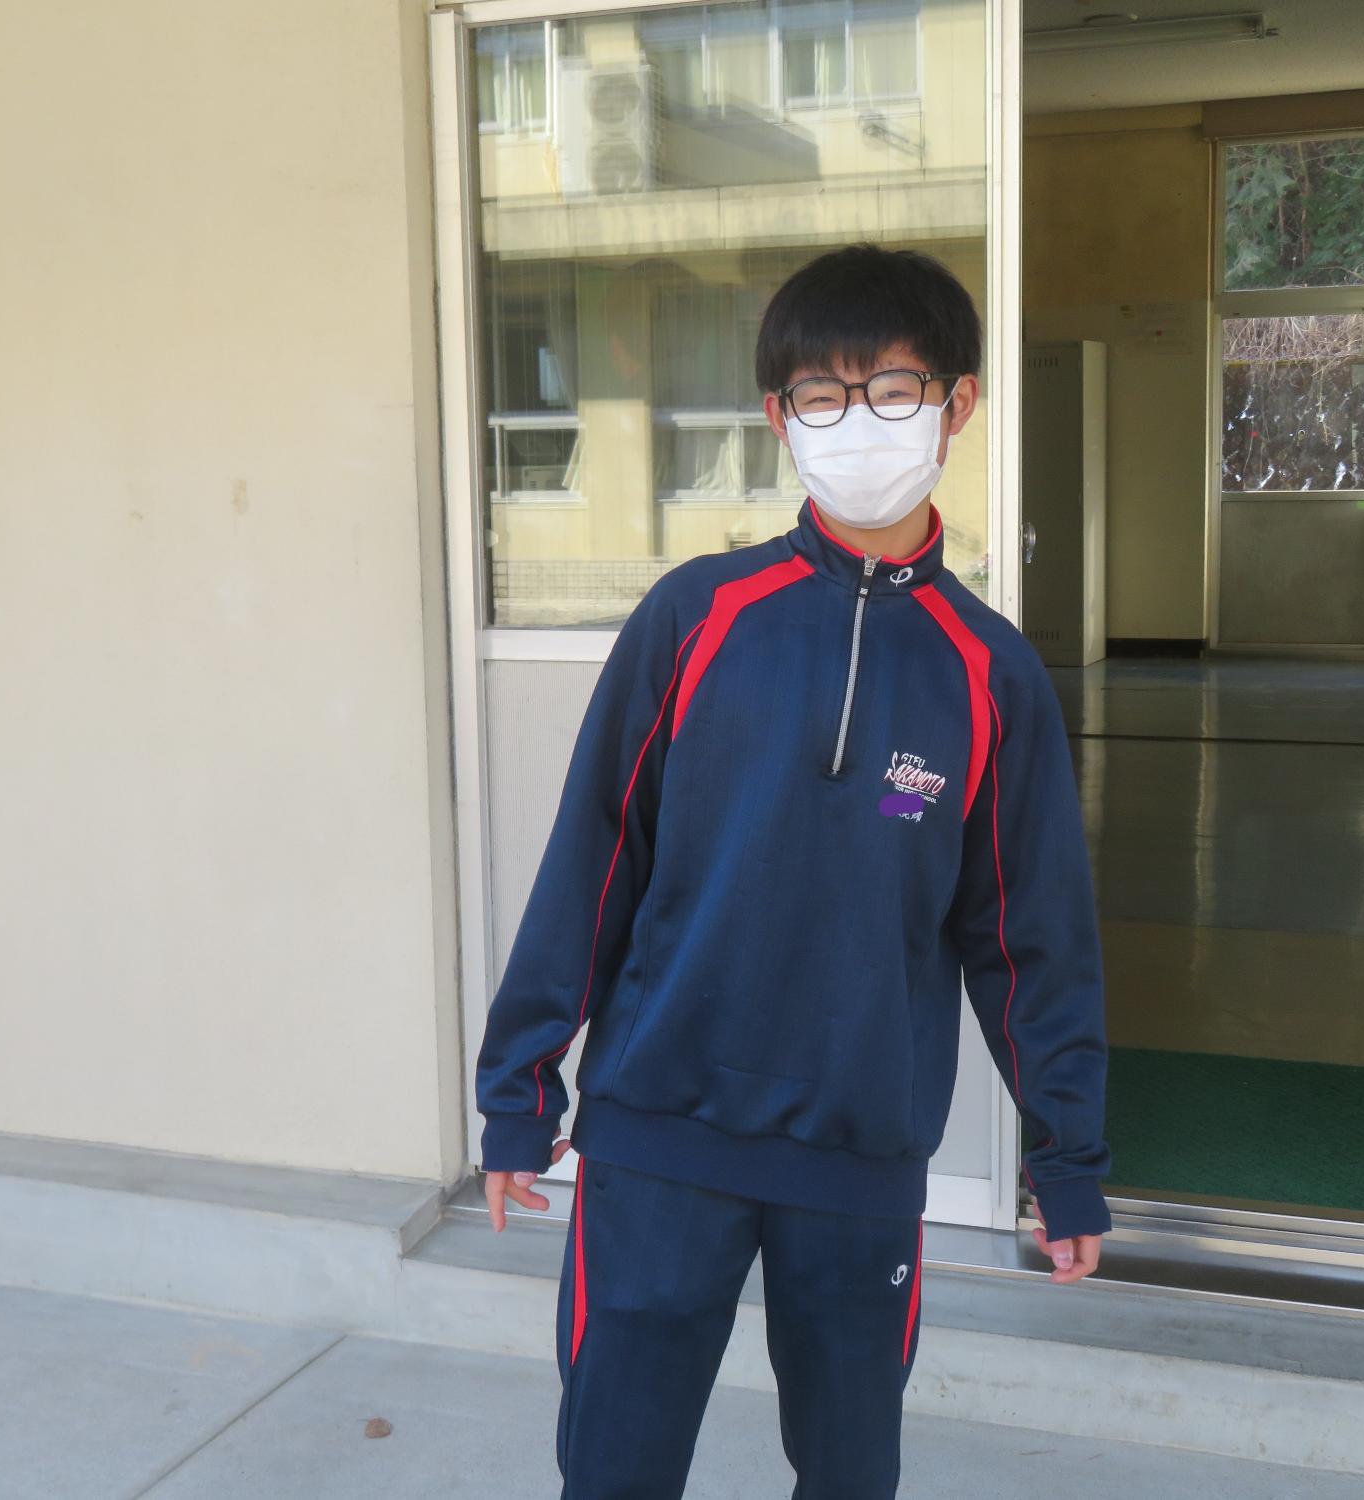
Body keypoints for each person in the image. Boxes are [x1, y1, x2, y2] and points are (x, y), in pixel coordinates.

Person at [473, 242, 1113, 1499]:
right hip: (659, 1137)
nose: (855, 422)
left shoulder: (990, 674)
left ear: (956, 404)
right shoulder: (697, 615)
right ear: (779, 419)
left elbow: (1029, 940)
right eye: (821, 396)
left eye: (892, 390)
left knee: (846, 1472)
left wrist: (1066, 1157)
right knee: (613, 1467)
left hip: (856, 1160)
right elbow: (593, 860)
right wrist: (519, 1085)